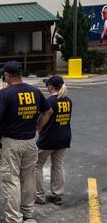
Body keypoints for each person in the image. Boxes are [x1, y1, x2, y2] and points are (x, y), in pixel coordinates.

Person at [0, 61, 53, 223]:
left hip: (12, 142)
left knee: (11, 179)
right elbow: (48, 111)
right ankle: (27, 211)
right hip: (31, 141)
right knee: (28, 177)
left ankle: (13, 218)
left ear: (8, 75)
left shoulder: (5, 93)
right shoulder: (34, 91)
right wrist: (38, 126)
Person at [35, 76, 72, 206]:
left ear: (51, 86)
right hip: (64, 137)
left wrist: (38, 129)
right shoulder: (68, 100)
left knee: (36, 165)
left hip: (49, 138)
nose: (46, 87)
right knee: (58, 166)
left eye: (47, 85)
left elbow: (41, 120)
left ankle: (39, 195)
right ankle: (57, 194)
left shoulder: (49, 101)